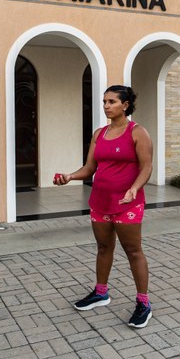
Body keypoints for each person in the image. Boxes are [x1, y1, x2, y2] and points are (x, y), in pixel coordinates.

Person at [54, 85, 154, 328]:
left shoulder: (138, 133)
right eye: (104, 102)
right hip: (100, 201)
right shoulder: (99, 134)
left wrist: (134, 188)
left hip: (127, 203)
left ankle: (143, 303)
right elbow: (90, 168)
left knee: (133, 251)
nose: (107, 106)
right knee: (103, 247)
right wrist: (70, 176)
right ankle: (101, 293)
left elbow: (147, 167)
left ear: (125, 105)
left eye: (112, 102)